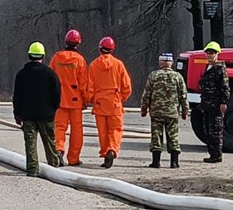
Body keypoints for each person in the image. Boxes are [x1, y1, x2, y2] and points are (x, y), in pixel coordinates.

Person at [13, 42, 62, 177]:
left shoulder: (21, 74)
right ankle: (54, 167)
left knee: (30, 144)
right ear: (43, 56)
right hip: (47, 116)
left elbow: (17, 96)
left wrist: (17, 114)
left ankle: (32, 169)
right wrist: (54, 108)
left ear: (29, 55)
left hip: (28, 116)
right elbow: (57, 94)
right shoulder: (50, 74)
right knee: (50, 143)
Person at [87, 36, 132, 168]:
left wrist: (91, 100)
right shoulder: (118, 64)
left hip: (100, 103)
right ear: (112, 49)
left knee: (103, 131)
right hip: (115, 102)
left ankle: (106, 152)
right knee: (115, 129)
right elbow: (127, 86)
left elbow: (89, 88)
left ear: (100, 49)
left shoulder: (94, 65)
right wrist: (120, 98)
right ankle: (112, 150)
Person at [140, 52, 189, 168]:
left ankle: (156, 162)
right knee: (173, 136)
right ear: (171, 63)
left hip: (156, 112)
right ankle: (174, 162)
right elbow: (183, 95)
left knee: (156, 135)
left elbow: (146, 94)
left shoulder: (153, 75)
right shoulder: (178, 77)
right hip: (172, 112)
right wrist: (185, 111)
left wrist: (144, 109)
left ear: (160, 63)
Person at [48, 29, 88, 167]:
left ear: (66, 41)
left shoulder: (56, 58)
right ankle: (74, 158)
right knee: (77, 131)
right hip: (76, 101)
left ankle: (59, 150)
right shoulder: (80, 60)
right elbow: (83, 83)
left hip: (59, 100)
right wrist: (86, 99)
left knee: (59, 127)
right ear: (78, 43)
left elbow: (50, 79)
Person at [198, 41, 230, 163]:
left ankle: (216, 155)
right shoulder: (209, 68)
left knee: (215, 131)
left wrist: (223, 102)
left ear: (217, 54)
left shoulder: (220, 69)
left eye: (212, 53)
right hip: (207, 105)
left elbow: (225, 87)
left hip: (215, 105)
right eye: (207, 53)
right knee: (208, 130)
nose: (209, 55)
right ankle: (212, 154)